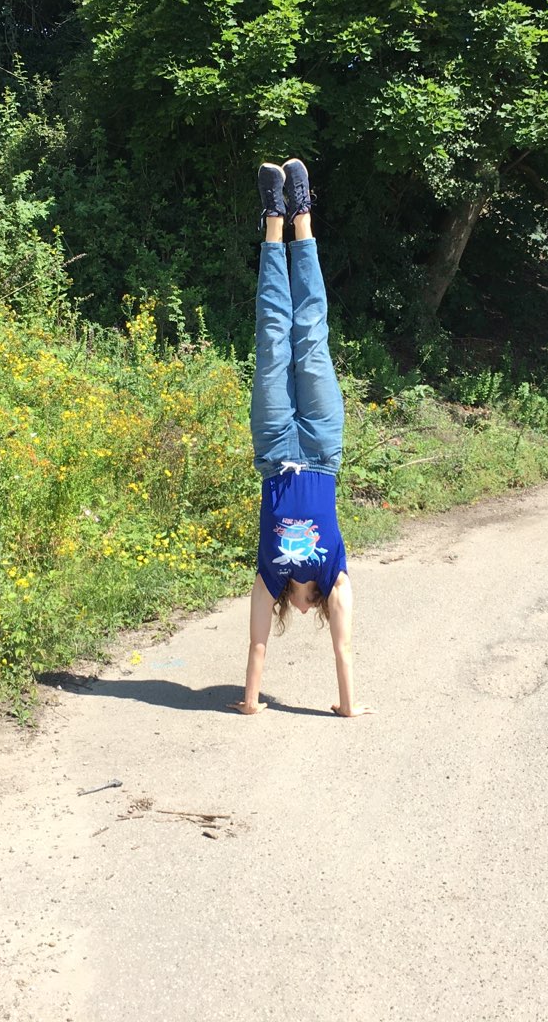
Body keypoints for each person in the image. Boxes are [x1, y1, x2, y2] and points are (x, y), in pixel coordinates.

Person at [233, 159, 372, 718]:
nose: (300, 600)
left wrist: (249, 701)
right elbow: (345, 648)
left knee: (272, 336)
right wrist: (348, 706)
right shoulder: (333, 577)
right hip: (320, 449)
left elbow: (257, 645)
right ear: (312, 606)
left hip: (273, 452)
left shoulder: (271, 579)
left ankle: (273, 214)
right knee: (311, 334)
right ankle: (304, 210)